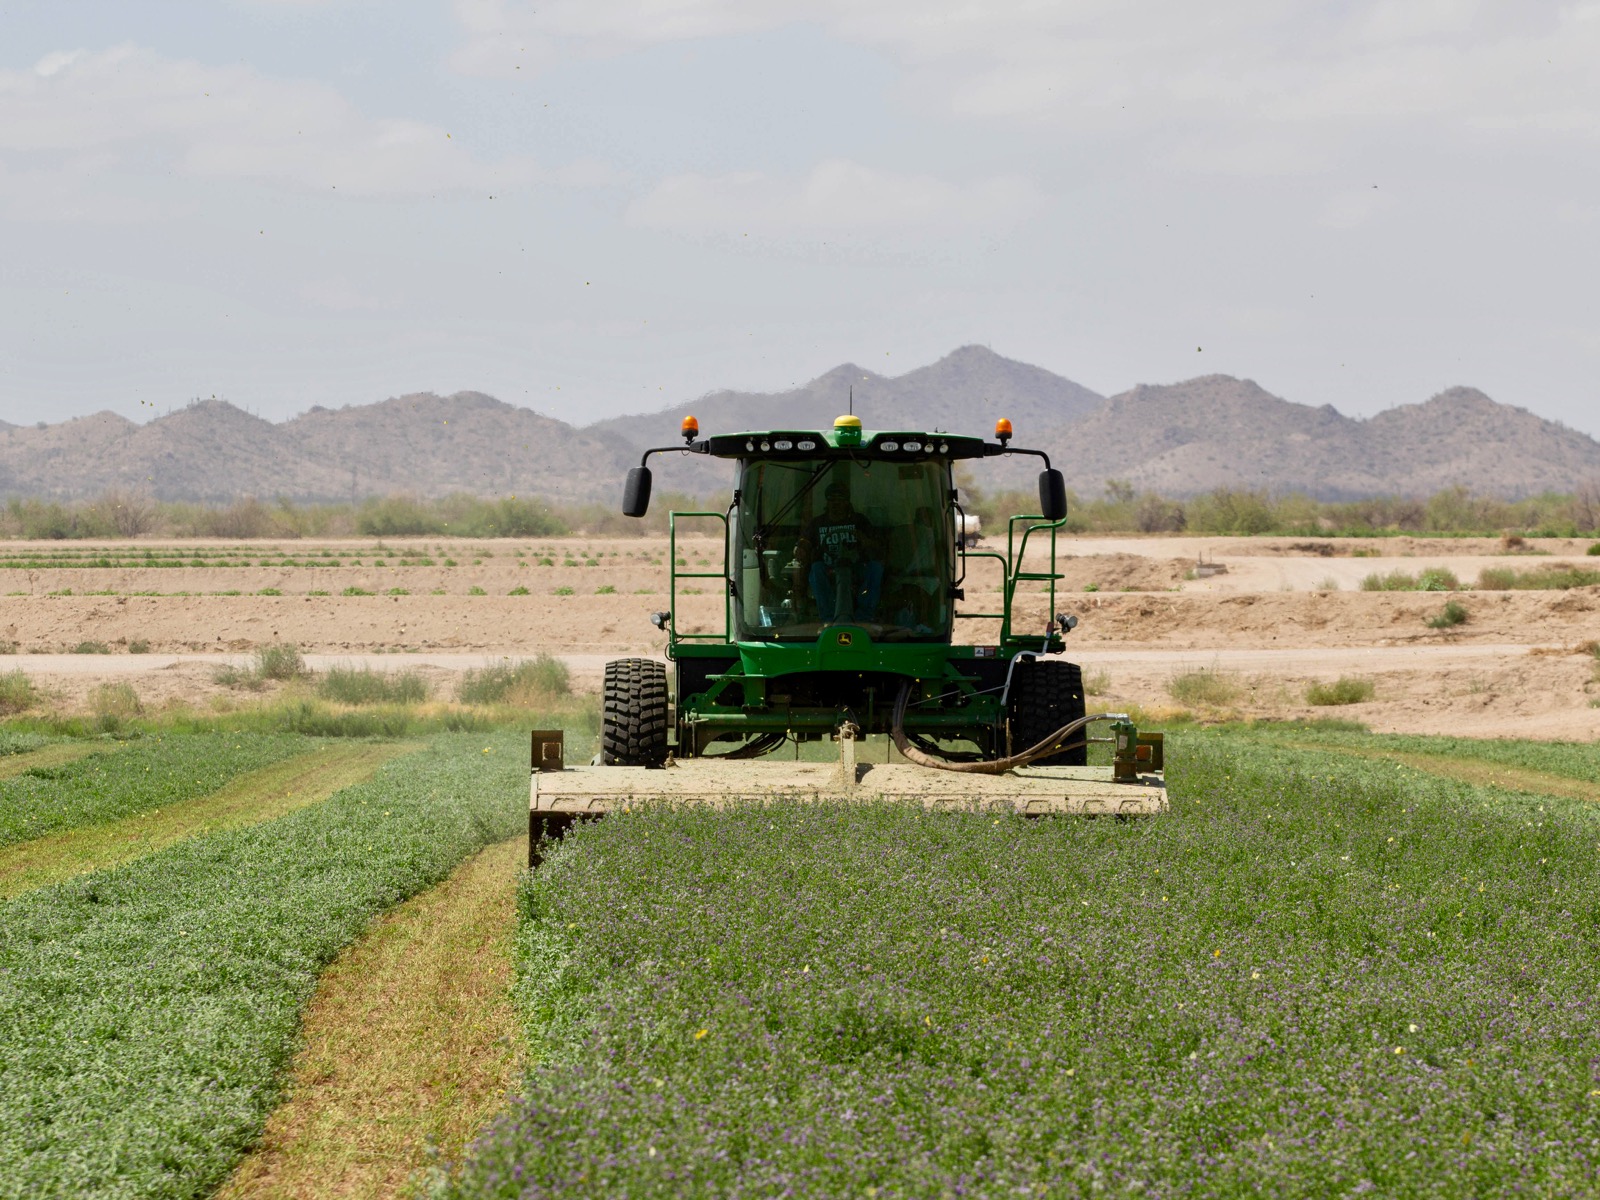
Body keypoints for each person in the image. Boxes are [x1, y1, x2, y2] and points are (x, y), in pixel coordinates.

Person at [796, 478, 883, 623]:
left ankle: (864, 617)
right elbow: (804, 541)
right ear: (827, 502)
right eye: (832, 499)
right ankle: (829, 618)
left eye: (840, 499)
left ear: (847, 502)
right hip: (829, 571)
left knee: (876, 568)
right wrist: (800, 549)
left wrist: (864, 540)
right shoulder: (817, 523)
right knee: (816, 569)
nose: (836, 503)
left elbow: (877, 545)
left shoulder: (859, 521)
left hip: (856, 570)